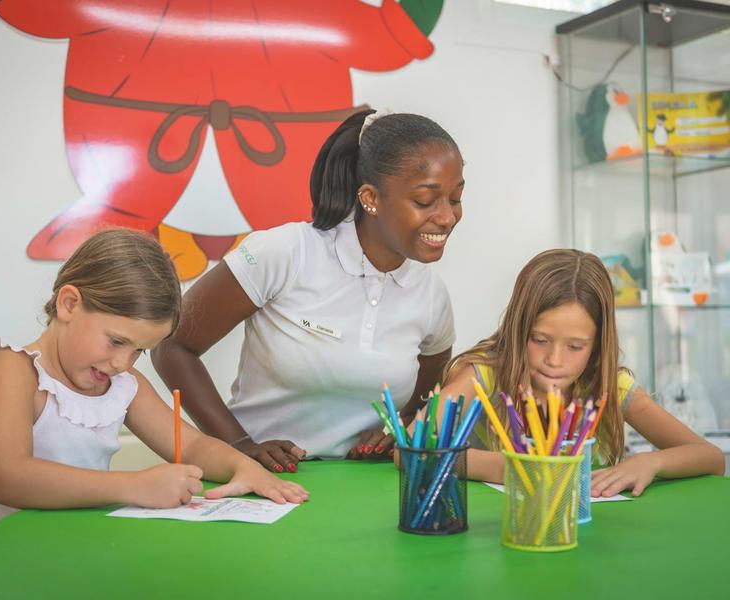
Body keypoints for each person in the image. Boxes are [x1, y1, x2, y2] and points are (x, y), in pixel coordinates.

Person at [152, 109, 465, 472]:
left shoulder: (431, 294)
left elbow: (425, 400)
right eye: (426, 201)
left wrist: (401, 429)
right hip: (258, 486)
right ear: (370, 198)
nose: (446, 217)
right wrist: (238, 446)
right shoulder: (286, 252)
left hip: (361, 492)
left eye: (455, 199)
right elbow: (171, 345)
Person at [0, 229, 308, 534]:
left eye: (139, 351)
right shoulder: (13, 369)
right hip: (9, 557)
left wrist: (242, 466)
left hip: (85, 551)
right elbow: (9, 478)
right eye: (116, 341)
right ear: (69, 304)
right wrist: (134, 485)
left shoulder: (123, 385)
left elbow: (191, 447)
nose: (121, 363)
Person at [432, 248, 724, 497]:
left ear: (598, 345)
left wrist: (649, 462)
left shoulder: (609, 385)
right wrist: (510, 468)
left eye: (575, 346)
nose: (555, 360)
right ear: (517, 329)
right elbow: (411, 451)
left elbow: (711, 458)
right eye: (540, 340)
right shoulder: (484, 375)